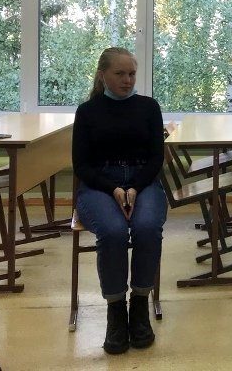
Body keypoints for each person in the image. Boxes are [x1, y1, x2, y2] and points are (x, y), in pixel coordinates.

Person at [72, 47, 167, 355]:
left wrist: (135, 187)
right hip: (99, 185)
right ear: (103, 76)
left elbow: (156, 158)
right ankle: (115, 312)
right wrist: (113, 188)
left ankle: (139, 305)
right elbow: (81, 165)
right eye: (120, 74)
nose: (128, 80)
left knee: (147, 226)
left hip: (143, 181)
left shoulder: (149, 107)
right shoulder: (87, 111)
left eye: (132, 74)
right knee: (112, 231)